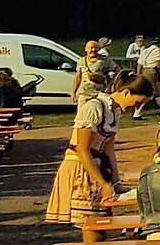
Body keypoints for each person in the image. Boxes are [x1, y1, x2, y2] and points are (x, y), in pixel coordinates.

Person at [46, 76, 154, 228]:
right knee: (91, 224)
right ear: (126, 92)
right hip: (81, 168)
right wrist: (103, 183)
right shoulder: (94, 108)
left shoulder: (115, 111)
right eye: (137, 102)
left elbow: (109, 150)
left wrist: (116, 182)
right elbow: (82, 150)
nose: (136, 108)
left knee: (101, 222)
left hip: (96, 168)